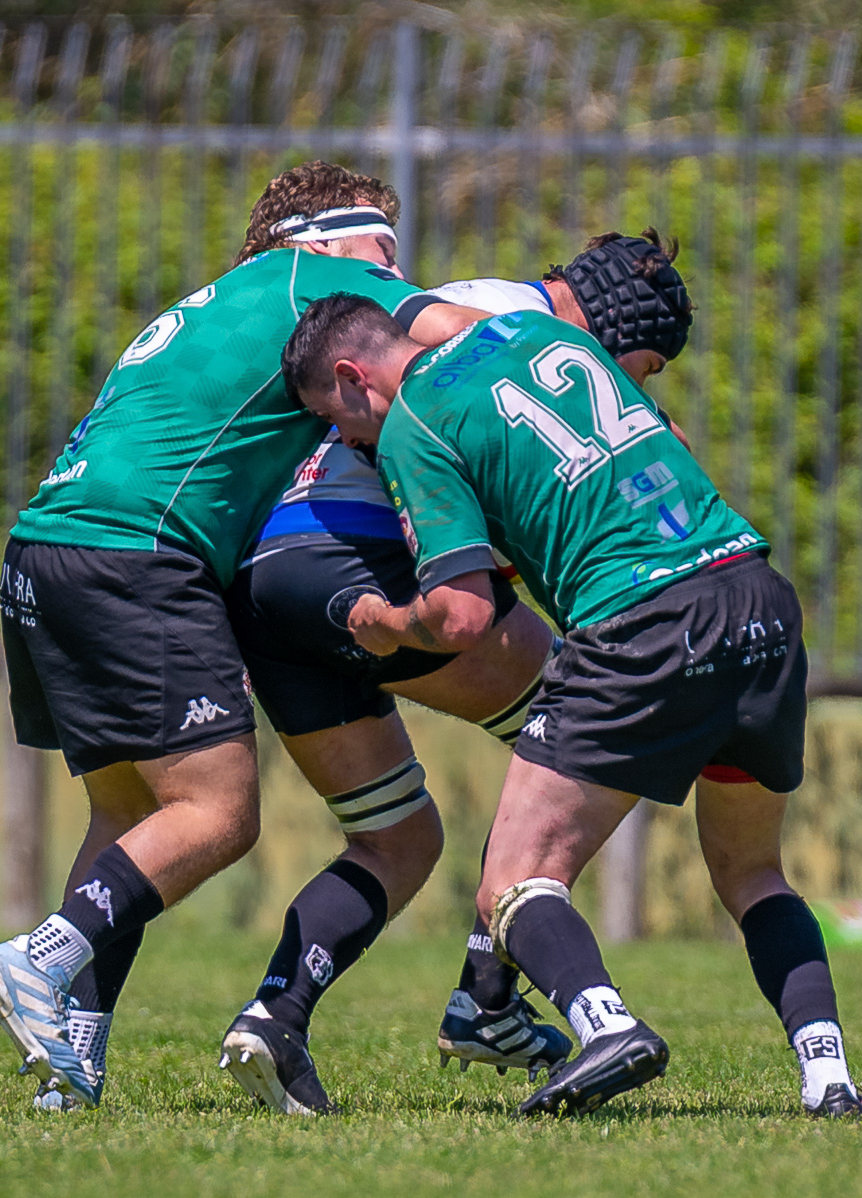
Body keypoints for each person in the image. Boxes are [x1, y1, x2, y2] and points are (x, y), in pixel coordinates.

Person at [0, 162, 491, 1112]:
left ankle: (70, 1070)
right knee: (217, 814)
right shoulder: (309, 285)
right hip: (138, 553)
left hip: (48, 547)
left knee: (132, 818)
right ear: (323, 239)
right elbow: (464, 339)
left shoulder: (222, 300)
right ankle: (39, 954)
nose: (395, 271)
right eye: (382, 246)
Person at [279, 297, 862, 1120]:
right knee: (752, 872)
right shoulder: (536, 333)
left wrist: (382, 622)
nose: (343, 442)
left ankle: (606, 1026)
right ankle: (828, 1078)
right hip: (754, 596)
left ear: (351, 378)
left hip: (643, 624)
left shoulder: (413, 421)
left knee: (513, 883)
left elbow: (461, 615)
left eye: (329, 418)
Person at [219, 232, 697, 1114]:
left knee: (397, 837)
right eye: (649, 366)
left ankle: (275, 1017)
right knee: (594, 734)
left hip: (276, 578)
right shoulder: (515, 332)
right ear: (623, 332)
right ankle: (486, 1000)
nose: (641, 383)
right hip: (361, 565)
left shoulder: (473, 301)